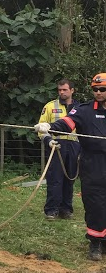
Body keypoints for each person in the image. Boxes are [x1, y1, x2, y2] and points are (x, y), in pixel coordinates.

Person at [35, 73, 106, 261]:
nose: (98, 92)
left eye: (102, 89)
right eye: (95, 89)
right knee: (94, 204)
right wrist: (49, 127)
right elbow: (67, 123)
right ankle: (95, 243)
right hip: (93, 165)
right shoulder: (84, 110)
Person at [37, 79, 80, 220]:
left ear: (72, 90)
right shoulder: (50, 106)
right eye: (60, 90)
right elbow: (41, 129)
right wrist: (48, 140)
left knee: (70, 178)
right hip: (56, 145)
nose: (62, 92)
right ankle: (51, 210)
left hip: (74, 146)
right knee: (55, 178)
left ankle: (66, 209)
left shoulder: (80, 108)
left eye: (65, 90)